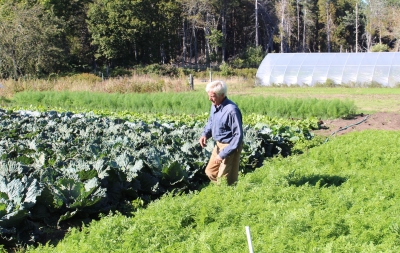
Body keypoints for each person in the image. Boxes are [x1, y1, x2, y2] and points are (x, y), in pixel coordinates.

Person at [199, 80, 244, 185]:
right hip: (219, 144)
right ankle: (223, 190)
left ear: (222, 95)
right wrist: (205, 134)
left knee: (224, 179)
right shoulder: (215, 105)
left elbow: (238, 136)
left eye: (213, 96)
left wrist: (223, 154)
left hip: (231, 146)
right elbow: (211, 122)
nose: (210, 99)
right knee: (210, 172)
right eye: (209, 96)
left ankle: (227, 194)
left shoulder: (231, 110)